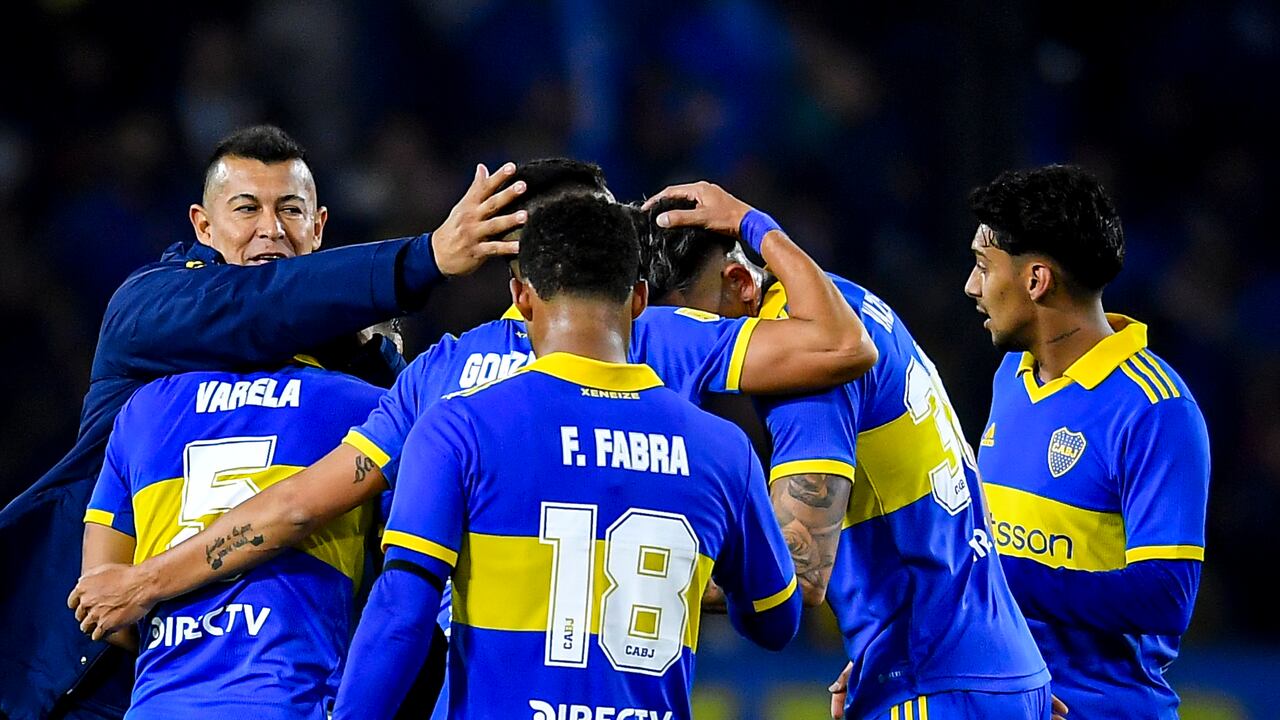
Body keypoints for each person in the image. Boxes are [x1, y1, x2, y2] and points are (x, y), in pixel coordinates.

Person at [67, 166, 872, 639]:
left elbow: (295, 510)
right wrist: (752, 223)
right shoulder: (661, 341)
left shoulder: (440, 377)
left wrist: (149, 582)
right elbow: (840, 344)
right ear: (626, 275)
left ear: (515, 276)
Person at [1, 124, 524, 719]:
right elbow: (258, 305)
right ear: (202, 226)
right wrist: (423, 258)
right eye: (246, 208)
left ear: (319, 227)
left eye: (291, 210)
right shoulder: (148, 310)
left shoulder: (359, 370)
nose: (270, 229)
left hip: (261, 679)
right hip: (88, 673)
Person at [334, 193, 801, 719]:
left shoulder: (458, 428)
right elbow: (777, 620)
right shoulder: (723, 450)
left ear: (522, 298)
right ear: (641, 300)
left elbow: (402, 613)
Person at [640, 182, 1053, 719]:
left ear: (739, 282)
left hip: (935, 681)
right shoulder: (845, 303)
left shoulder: (808, 369)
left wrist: (627, 574)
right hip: (976, 667)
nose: (687, 361)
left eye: (688, 328)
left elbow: (797, 571)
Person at [964, 165, 1210, 719]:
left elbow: (1166, 594)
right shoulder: (1011, 377)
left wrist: (1003, 576)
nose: (971, 287)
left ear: (1036, 280)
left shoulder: (1155, 409)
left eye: (983, 266)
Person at [82, 359, 385, 719]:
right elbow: (408, 591)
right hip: (284, 699)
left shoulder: (143, 409)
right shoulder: (367, 406)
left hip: (160, 704)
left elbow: (101, 603)